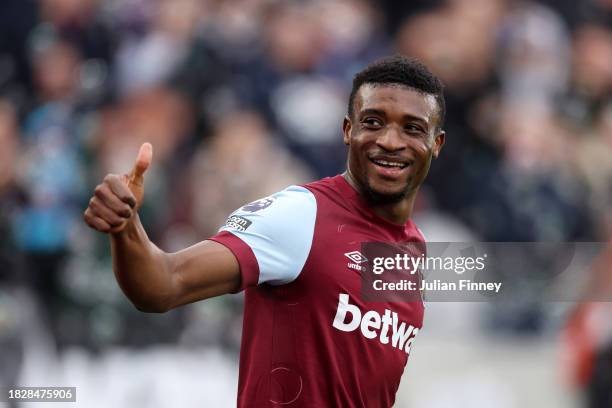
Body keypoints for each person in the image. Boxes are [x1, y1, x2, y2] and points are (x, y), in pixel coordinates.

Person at [83, 55, 446, 407]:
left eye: (412, 128)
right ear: (348, 131)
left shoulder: (415, 249)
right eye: (373, 122)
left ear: (437, 144)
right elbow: (162, 285)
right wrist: (126, 227)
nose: (390, 141)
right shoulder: (300, 214)